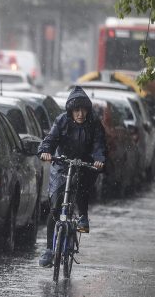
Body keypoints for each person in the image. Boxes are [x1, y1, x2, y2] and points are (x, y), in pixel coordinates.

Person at [37, 86, 106, 267]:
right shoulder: (62, 121)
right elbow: (50, 139)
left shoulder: (94, 123)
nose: (80, 114)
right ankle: (50, 250)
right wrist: (46, 151)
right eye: (77, 110)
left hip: (85, 164)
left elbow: (99, 145)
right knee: (55, 208)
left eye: (83, 110)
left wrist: (98, 159)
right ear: (71, 111)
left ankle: (83, 216)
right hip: (62, 164)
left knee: (83, 188)